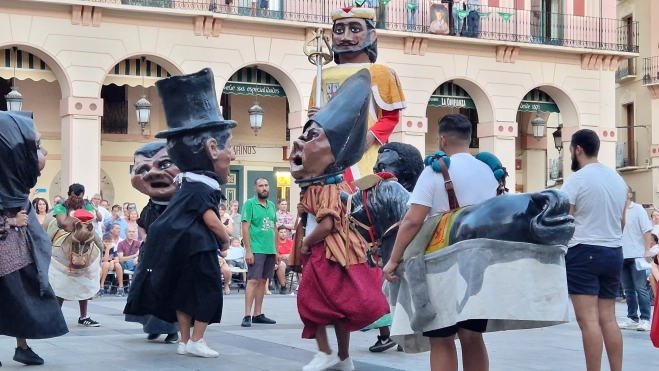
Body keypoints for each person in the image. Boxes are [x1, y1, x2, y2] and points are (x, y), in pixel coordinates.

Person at [124, 68, 234, 358]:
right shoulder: (203, 186)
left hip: (180, 249)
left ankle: (185, 341)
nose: (231, 155)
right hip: (198, 249)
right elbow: (210, 219)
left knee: (182, 295)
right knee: (207, 293)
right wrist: (225, 237)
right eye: (229, 147)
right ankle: (198, 340)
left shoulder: (186, 183)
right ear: (212, 147)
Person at [382, 114, 499, 371]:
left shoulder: (437, 170)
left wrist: (393, 260)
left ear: (442, 139)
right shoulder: (489, 172)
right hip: (479, 265)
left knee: (442, 337)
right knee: (472, 336)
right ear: (471, 139)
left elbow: (413, 221)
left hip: (443, 265)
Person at [291, 70, 390, 371]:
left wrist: (306, 245)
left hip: (327, 253)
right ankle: (344, 359)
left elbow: (328, 224)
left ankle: (326, 353)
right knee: (336, 310)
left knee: (311, 304)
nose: (297, 144)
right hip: (333, 253)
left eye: (311, 137)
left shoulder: (330, 187)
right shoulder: (325, 185)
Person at [307, 6, 406, 188]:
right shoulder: (322, 76)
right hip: (331, 152)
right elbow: (314, 122)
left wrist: (370, 135)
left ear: (372, 35)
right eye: (339, 30)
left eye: (355, 29)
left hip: (366, 152)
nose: (345, 37)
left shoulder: (382, 73)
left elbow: (391, 117)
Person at [0, 111, 68, 366]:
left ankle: (22, 345)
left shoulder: (15, 189)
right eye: (36, 146)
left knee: (21, 298)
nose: (45, 152)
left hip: (19, 251)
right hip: (8, 253)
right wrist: (9, 221)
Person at [559, 129, 628, 371]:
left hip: (583, 250)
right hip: (613, 251)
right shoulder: (618, 180)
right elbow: (622, 222)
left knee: (588, 320)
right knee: (608, 318)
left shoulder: (576, 180)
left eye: (570, 150)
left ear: (578, 149)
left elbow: (566, 220)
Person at [124, 140, 180, 344]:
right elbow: (140, 223)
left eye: (164, 164)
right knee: (147, 289)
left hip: (172, 256)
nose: (152, 173)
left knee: (169, 290)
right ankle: (153, 326)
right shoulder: (150, 205)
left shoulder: (180, 203)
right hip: (150, 255)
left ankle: (173, 330)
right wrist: (145, 236)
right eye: (143, 169)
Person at [49, 183, 103, 327]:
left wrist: (83, 216)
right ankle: (56, 314)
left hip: (84, 234)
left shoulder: (88, 205)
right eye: (75, 196)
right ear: (69, 194)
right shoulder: (61, 206)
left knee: (99, 243)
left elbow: (90, 221)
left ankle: (84, 316)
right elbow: (64, 224)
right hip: (65, 233)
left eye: (80, 196)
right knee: (46, 238)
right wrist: (75, 214)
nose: (78, 199)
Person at [241, 178, 278, 327]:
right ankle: (247, 315)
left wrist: (276, 250)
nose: (264, 188)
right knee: (253, 280)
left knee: (263, 281)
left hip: (269, 249)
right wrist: (248, 250)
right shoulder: (250, 204)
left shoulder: (271, 205)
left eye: (266, 185)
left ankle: (258, 313)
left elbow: (274, 228)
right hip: (256, 249)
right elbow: (245, 227)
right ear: (255, 188)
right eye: (261, 186)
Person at [618, 185, 653, 332]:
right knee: (628, 290)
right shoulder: (617, 210)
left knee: (640, 288)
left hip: (637, 254)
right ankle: (632, 317)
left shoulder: (638, 209)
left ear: (630, 194)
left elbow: (646, 230)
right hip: (621, 255)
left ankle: (645, 319)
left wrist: (647, 250)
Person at [275, 225, 293, 294]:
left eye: (285, 232)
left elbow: (295, 253)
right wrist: (282, 256)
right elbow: (275, 255)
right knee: (281, 264)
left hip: (292, 260)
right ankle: (283, 286)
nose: (283, 234)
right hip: (281, 262)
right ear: (278, 233)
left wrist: (289, 255)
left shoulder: (291, 242)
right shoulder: (275, 243)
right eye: (281, 232)